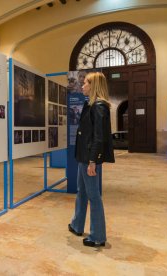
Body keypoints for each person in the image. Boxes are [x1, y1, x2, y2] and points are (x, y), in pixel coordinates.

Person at [68, 72, 115, 247]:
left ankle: (98, 236)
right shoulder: (91, 105)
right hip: (84, 157)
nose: (82, 86)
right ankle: (77, 224)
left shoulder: (99, 107)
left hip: (90, 159)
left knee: (94, 196)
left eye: (86, 83)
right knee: (82, 192)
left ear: (94, 85)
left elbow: (99, 137)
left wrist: (93, 161)